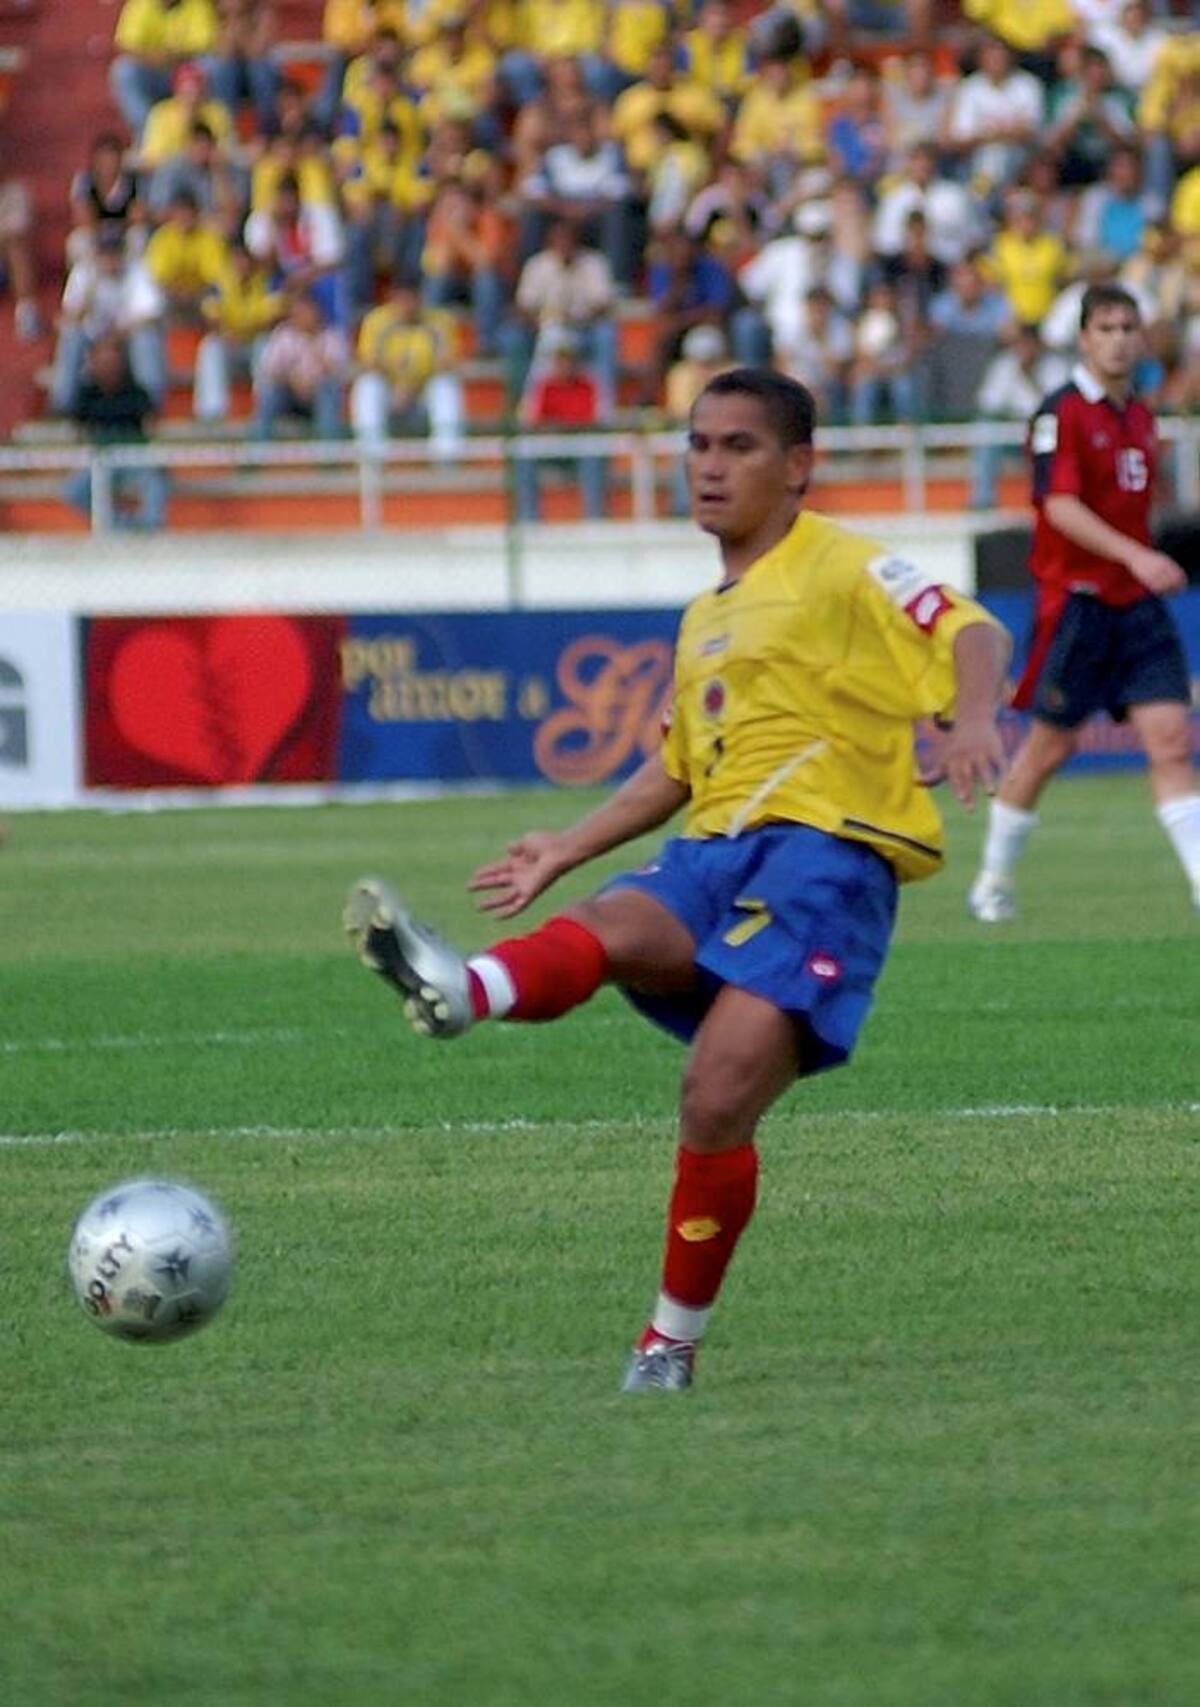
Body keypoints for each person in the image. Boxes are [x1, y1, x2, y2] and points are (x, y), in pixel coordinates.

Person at [345, 366, 1010, 1393]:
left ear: (799, 468)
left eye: (738, 447)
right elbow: (674, 768)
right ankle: (461, 989)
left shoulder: (843, 566)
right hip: (715, 848)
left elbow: (974, 629)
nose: (709, 466)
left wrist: (972, 719)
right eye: (699, 444)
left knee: (713, 1097)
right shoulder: (704, 618)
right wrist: (567, 843)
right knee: (609, 922)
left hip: (826, 857)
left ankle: (667, 1347)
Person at [968, 284, 1199, 923]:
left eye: (1129, 327)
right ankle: (992, 879)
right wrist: (1138, 555)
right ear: (1084, 338)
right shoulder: (1060, 414)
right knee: (1049, 750)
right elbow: (1059, 507)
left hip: (1137, 605)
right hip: (1079, 603)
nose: (1120, 338)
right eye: (1107, 328)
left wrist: (1139, 562)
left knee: (1172, 741)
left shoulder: (1143, 417)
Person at [65, 333, 168, 530]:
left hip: (133, 457)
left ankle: (149, 530)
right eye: (102, 359)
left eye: (112, 359)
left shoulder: (135, 391)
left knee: (155, 484)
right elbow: (77, 429)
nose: (108, 365)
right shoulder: (87, 393)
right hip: (101, 458)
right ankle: (119, 525)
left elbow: (151, 425)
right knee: (74, 491)